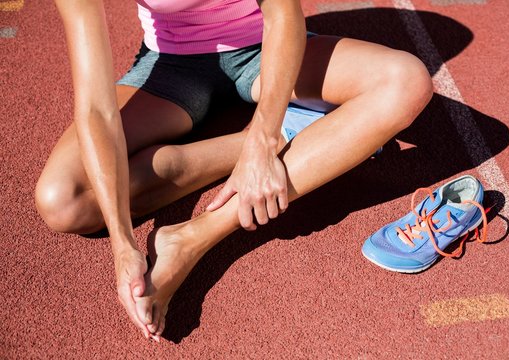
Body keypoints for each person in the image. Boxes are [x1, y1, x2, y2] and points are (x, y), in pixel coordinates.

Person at [35, 0, 433, 341]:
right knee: (64, 202)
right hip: (169, 65)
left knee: (405, 82)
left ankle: (192, 239)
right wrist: (122, 243)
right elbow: (96, 109)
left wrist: (263, 139)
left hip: (262, 49)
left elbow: (282, 16)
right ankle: (301, 133)